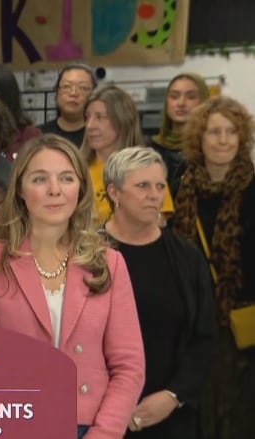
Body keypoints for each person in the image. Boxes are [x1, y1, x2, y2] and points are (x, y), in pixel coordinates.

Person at [0, 134, 145, 438]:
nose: (55, 190)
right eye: (40, 179)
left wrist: (103, 434)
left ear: (80, 188)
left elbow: (129, 366)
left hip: (89, 427)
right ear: (21, 190)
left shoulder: (109, 262)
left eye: (66, 178)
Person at [101, 146, 217, 439]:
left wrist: (173, 395)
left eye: (159, 186)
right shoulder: (87, 253)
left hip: (172, 417)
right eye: (142, 186)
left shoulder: (187, 257)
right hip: (101, 415)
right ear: (114, 193)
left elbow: (205, 335)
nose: (155, 195)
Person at [170, 96, 255, 439]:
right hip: (191, 323)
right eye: (214, 132)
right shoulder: (179, 189)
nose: (223, 140)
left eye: (231, 132)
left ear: (242, 137)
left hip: (243, 326)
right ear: (199, 139)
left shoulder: (253, 189)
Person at [81, 84, 174, 223]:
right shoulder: (76, 170)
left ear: (123, 120)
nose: (90, 125)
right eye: (87, 117)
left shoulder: (148, 170)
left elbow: (157, 225)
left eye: (100, 117)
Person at [150, 73, 210, 197]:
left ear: (204, 101)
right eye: (174, 96)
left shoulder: (212, 149)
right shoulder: (149, 150)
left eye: (191, 97)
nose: (181, 103)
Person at [40, 62, 97, 147]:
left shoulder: (97, 135)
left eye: (82, 88)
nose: (73, 93)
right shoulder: (39, 135)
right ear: (57, 91)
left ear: (93, 94)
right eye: (67, 86)